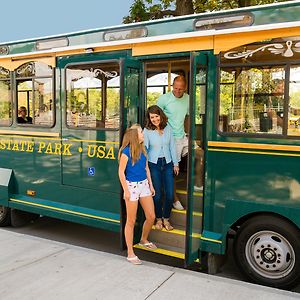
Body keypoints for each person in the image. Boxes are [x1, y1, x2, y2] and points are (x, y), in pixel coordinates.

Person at [157, 75, 203, 211]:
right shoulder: (164, 99)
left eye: (180, 89)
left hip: (183, 137)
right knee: (172, 170)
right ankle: (174, 199)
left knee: (200, 155)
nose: (177, 91)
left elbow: (188, 117)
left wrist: (189, 134)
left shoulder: (188, 98)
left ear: (185, 88)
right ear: (172, 86)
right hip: (171, 139)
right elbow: (155, 117)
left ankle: (198, 185)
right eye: (175, 88)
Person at [118, 124, 156, 265]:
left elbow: (146, 169)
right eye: (141, 132)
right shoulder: (126, 153)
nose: (143, 134)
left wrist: (151, 185)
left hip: (144, 185)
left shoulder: (142, 150)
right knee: (131, 221)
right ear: (135, 136)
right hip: (132, 187)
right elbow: (121, 172)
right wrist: (126, 191)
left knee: (151, 216)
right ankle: (130, 253)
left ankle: (143, 239)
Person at [144, 105, 179, 231]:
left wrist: (175, 163)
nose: (154, 119)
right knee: (157, 195)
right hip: (154, 164)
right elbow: (145, 149)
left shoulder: (168, 127)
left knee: (169, 194)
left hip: (168, 163)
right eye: (152, 117)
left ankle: (166, 219)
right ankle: (158, 219)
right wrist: (144, 165)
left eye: (156, 116)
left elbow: (172, 146)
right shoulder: (147, 130)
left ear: (161, 116)